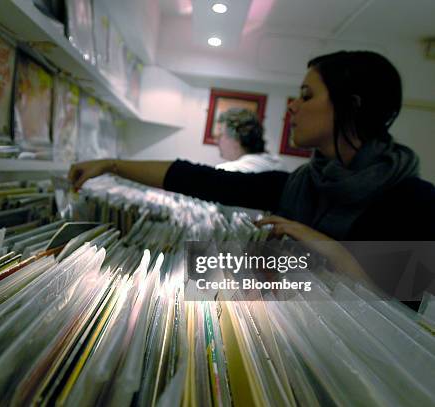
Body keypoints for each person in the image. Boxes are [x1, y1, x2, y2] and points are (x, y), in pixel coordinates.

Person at [69, 51, 435, 304]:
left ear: (351, 107)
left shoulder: (415, 202)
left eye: (306, 96)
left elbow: (406, 305)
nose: (292, 105)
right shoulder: (301, 185)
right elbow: (201, 179)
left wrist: (328, 248)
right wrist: (113, 164)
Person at [215, 108, 285, 173]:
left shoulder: (227, 171)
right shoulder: (278, 164)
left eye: (220, 135)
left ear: (237, 137)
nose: (216, 141)